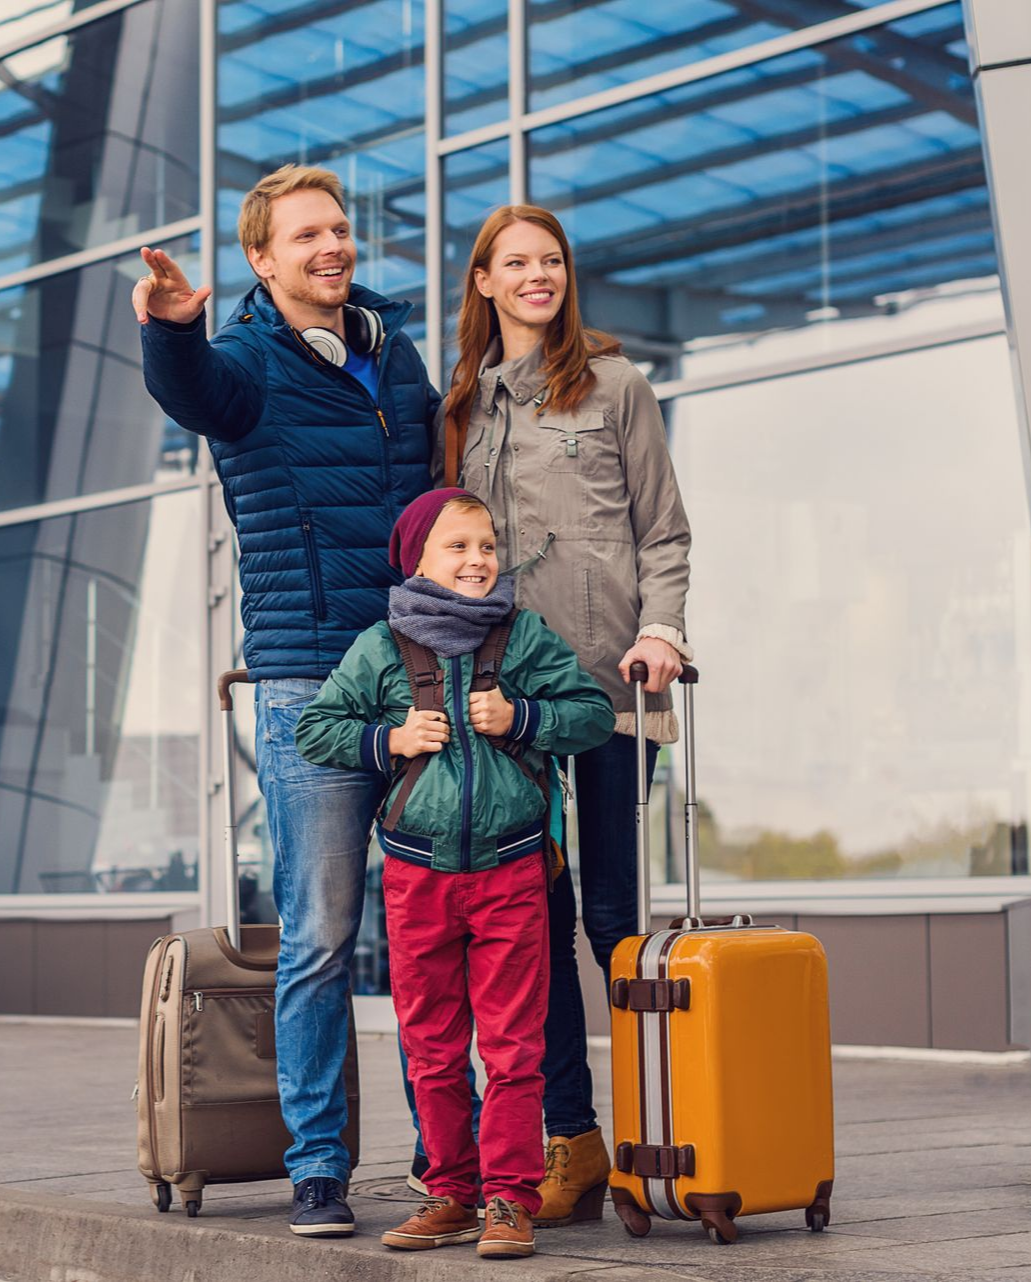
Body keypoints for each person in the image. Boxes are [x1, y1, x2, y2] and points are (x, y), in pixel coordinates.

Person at [135, 165, 439, 1237]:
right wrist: (174, 329)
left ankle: (444, 1159)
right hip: (308, 683)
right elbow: (192, 395)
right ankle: (316, 1165)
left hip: (416, 677)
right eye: (306, 233)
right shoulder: (248, 363)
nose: (332, 245)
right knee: (317, 933)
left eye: (341, 228)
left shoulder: (394, 359)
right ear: (262, 259)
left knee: (423, 930)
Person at [439, 205, 694, 1225]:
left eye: (549, 260)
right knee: (528, 929)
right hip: (506, 706)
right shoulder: (461, 407)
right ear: (484, 281)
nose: (536, 275)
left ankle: (647, 1134)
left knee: (613, 920)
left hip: (608, 699)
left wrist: (663, 631)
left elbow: (662, 533)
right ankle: (572, 1141)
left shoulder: (615, 388)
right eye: (516, 262)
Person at [294, 488, 614, 1258]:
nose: (477, 561)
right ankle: (449, 1193)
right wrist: (392, 738)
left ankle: (509, 1200)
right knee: (430, 1045)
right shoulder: (380, 646)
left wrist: (523, 719)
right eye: (457, 547)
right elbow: (316, 727)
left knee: (512, 1048)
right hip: (417, 879)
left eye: (486, 546)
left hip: (510, 875)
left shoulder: (524, 636)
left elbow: (592, 714)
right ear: (415, 561)